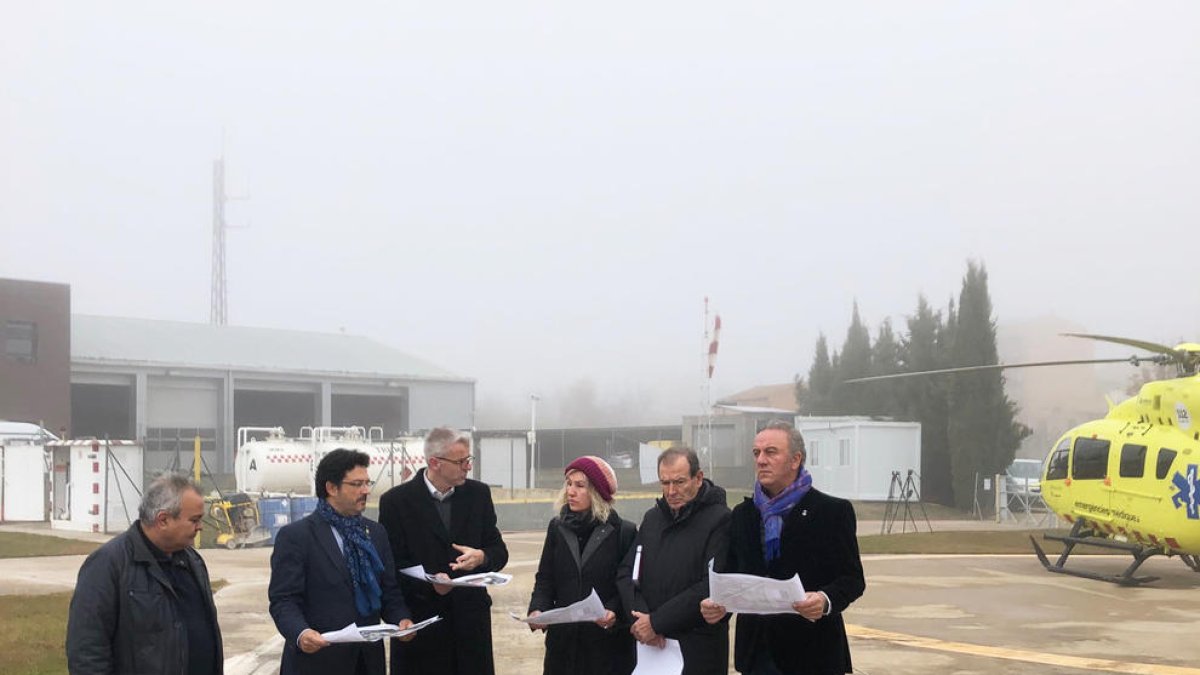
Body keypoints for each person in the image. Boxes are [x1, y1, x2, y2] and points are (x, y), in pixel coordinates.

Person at [700, 420, 865, 674]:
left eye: (771, 452)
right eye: (757, 453)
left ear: (795, 459)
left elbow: (852, 579)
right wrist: (718, 608)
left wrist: (824, 599)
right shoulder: (744, 515)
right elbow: (732, 574)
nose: (761, 460)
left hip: (813, 653)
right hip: (757, 654)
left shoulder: (832, 512)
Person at [269, 448, 412, 675]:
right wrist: (301, 633)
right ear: (331, 488)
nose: (366, 490)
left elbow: (389, 592)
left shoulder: (375, 533)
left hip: (367, 662)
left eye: (367, 483)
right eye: (356, 484)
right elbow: (283, 600)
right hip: (317, 662)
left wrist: (402, 619)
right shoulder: (297, 537)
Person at [379, 427, 509, 675]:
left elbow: (498, 551)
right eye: (461, 461)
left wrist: (482, 557)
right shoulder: (396, 502)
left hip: (470, 628)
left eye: (468, 460)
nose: (467, 467)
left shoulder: (478, 495)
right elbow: (391, 567)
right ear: (435, 463)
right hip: (421, 626)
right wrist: (430, 584)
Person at [66, 473, 222, 675]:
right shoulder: (107, 565)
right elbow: (87, 651)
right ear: (163, 520)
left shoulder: (193, 562)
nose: (200, 527)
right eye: (194, 520)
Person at [617, 446, 731, 675]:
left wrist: (657, 623)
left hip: (697, 652)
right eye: (664, 483)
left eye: (679, 482)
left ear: (698, 478)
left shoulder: (721, 520)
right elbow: (627, 572)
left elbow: (710, 585)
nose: (671, 491)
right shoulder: (652, 519)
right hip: (651, 653)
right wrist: (642, 620)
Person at [528, 456, 638, 675]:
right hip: (563, 646)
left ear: (598, 492)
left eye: (580, 486)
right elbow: (546, 577)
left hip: (606, 647)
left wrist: (613, 611)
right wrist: (538, 608)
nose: (571, 491)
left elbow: (629, 585)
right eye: (569, 484)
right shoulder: (557, 528)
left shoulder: (624, 532)